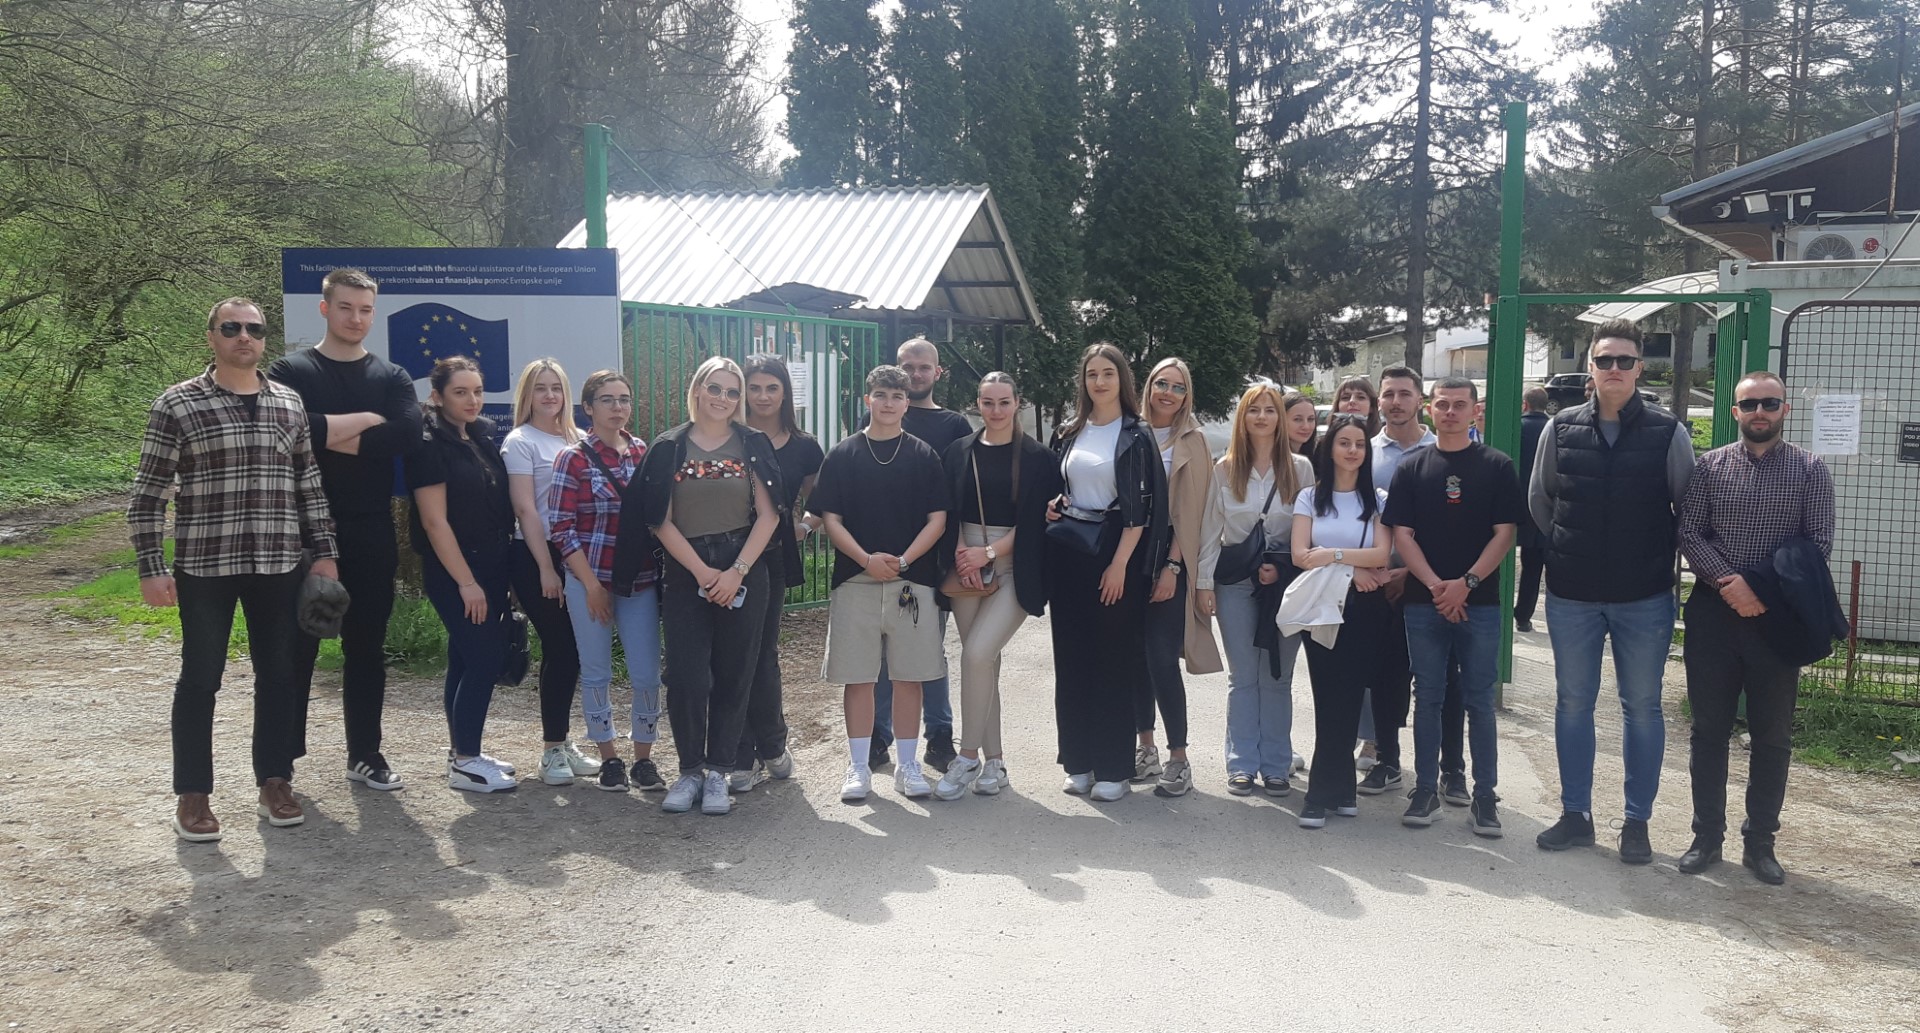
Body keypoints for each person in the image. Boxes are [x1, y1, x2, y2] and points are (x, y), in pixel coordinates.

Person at [134, 299, 340, 841]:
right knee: (201, 678)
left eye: (254, 329)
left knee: (280, 675)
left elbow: (309, 485)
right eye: (231, 328)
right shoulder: (177, 404)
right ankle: (193, 794)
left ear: (264, 339)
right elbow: (149, 493)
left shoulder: (288, 403)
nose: (243, 336)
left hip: (278, 562)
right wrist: (151, 566)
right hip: (207, 562)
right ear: (212, 337)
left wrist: (324, 552)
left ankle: (275, 781)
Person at [1529, 320, 1695, 863]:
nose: (1615, 369)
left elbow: (1686, 508)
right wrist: (1566, 548)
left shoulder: (1669, 432)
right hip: (1572, 593)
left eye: (1625, 360)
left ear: (1640, 368)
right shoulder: (1560, 428)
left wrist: (1650, 555)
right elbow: (1541, 500)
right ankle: (1575, 815)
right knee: (1573, 703)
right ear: (1591, 367)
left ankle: (1637, 823)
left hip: (1643, 596)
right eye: (1605, 360)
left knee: (1642, 707)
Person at [1677, 371, 1834, 885]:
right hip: (1713, 614)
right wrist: (1729, 584)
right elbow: (1690, 532)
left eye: (1769, 403)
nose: (1759, 412)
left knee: (1772, 735)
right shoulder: (1709, 466)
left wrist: (1757, 588)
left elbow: (1816, 545)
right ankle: (1706, 837)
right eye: (1749, 404)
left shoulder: (1811, 469)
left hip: (1777, 618)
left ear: (1785, 409)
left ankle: (1761, 842)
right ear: (1735, 412)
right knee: (1708, 732)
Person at [267, 268, 419, 792]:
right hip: (301, 530)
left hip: (371, 527)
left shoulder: (392, 376)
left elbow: (406, 434)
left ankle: (365, 754)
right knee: (296, 650)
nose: (356, 318)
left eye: (365, 309)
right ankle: (282, 763)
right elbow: (287, 428)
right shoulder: (291, 369)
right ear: (325, 308)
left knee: (367, 648)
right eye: (346, 307)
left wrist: (326, 432)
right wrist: (366, 422)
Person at [623, 357, 782, 816]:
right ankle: (689, 770)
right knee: (688, 676)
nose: (723, 398)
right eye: (715, 388)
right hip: (686, 570)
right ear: (697, 390)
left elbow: (769, 515)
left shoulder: (751, 443)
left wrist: (736, 572)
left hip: (742, 566)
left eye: (732, 392)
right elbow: (659, 519)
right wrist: (702, 573)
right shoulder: (669, 446)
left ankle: (718, 773)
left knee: (736, 674)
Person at [1386, 376, 1523, 837]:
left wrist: (1465, 584)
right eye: (1442, 404)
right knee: (1427, 696)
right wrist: (1436, 587)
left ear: (1475, 411)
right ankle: (1425, 789)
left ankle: (1485, 797)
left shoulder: (1497, 465)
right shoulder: (1411, 467)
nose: (1450, 412)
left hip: (1479, 603)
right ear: (1429, 408)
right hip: (1423, 603)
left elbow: (1504, 533)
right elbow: (1402, 534)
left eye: (1459, 405)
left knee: (1480, 700)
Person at [811, 365, 949, 803]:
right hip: (856, 580)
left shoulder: (924, 455)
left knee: (910, 676)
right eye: (882, 395)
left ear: (907, 403)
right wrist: (865, 559)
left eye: (897, 396)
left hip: (913, 582)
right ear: (867, 399)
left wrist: (904, 560)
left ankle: (908, 766)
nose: (889, 403)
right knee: (858, 677)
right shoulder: (843, 453)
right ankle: (858, 766)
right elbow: (830, 518)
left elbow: (938, 519)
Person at [1046, 343, 1168, 803]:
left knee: (1112, 661)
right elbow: (1062, 486)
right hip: (1071, 550)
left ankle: (1114, 768)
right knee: (1071, 659)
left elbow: (1142, 512)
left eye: (1108, 374)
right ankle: (1079, 762)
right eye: (1091, 374)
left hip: (1118, 552)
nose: (1099, 382)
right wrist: (1054, 504)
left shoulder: (1136, 434)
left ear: (1122, 380)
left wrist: (1119, 565)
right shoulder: (1069, 431)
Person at [932, 372, 1061, 801]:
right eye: (988, 402)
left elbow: (1037, 522)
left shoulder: (1038, 457)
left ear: (1017, 403)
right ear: (978, 404)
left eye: (1004, 402)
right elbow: (947, 509)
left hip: (1014, 565)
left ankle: (967, 756)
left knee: (976, 653)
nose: (996, 410)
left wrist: (987, 553)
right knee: (983, 664)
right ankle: (996, 763)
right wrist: (961, 555)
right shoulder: (959, 451)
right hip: (965, 564)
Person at [1195, 381, 1316, 798]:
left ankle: (1277, 765)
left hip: (1285, 585)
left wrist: (1282, 569)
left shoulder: (1300, 469)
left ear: (1280, 418)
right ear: (1242, 418)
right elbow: (1210, 532)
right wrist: (1204, 583)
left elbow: (1308, 531)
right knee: (1244, 676)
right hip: (1236, 583)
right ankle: (1242, 764)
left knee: (1278, 677)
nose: (1262, 417)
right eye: (1253, 409)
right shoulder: (1224, 469)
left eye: (1269, 410)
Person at [404, 357, 517, 793]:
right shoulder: (428, 445)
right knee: (485, 658)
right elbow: (435, 523)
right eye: (460, 392)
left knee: (465, 658)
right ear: (437, 396)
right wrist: (466, 582)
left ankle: (462, 753)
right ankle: (468, 761)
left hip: (492, 563)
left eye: (477, 391)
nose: (472, 400)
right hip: (457, 570)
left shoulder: (480, 437)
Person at [550, 371, 664, 793]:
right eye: (607, 399)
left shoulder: (642, 452)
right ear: (588, 407)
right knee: (597, 672)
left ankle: (644, 759)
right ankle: (609, 758)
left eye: (624, 399)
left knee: (646, 675)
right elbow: (562, 528)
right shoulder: (572, 458)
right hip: (589, 581)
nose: (618, 407)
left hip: (638, 581)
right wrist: (592, 586)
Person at [867, 338, 972, 773]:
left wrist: (960, 552)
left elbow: (964, 495)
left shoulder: (954, 425)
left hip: (932, 559)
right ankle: (878, 736)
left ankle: (940, 736)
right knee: (883, 654)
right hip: (880, 556)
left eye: (923, 367)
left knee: (928, 650)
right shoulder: (880, 416)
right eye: (907, 365)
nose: (914, 373)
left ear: (937, 373)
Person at [1287, 415, 1394, 827]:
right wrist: (1351, 568)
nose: (1352, 451)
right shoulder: (1309, 498)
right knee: (1327, 697)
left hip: (1365, 609)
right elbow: (1300, 555)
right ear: (1329, 448)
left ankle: (1334, 791)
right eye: (1344, 442)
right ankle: (1326, 792)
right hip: (1322, 607)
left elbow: (1381, 554)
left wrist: (1331, 555)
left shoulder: (1378, 499)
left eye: (1360, 444)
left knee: (1349, 699)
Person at [728, 354, 822, 792]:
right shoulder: (726, 438)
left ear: (785, 393)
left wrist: (804, 527)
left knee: (763, 653)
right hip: (723, 558)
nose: (763, 396)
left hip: (773, 559)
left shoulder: (805, 446)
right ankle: (741, 753)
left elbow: (823, 501)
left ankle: (770, 746)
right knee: (732, 656)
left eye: (772, 388)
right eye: (755, 388)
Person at [502, 358, 596, 787]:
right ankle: (551, 748)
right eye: (540, 388)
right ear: (528, 394)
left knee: (576, 651)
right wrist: (545, 568)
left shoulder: (582, 439)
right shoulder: (520, 442)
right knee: (561, 647)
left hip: (578, 555)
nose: (550, 396)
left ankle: (564, 741)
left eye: (556, 388)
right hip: (536, 556)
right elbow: (525, 509)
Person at [1132, 357, 1223, 795]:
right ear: (1149, 387)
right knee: (1134, 658)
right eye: (1161, 384)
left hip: (1171, 559)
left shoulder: (1194, 441)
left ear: (1187, 396)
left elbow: (1195, 513)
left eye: (1178, 387)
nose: (1168, 393)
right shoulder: (1130, 431)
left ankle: (1179, 758)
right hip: (1127, 557)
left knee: (1162, 658)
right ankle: (1145, 747)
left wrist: (1173, 567)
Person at [1360, 366, 1435, 791]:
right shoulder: (1365, 452)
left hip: (1427, 582)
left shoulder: (1442, 449)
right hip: (1376, 583)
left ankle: (1443, 770)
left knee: (1434, 680)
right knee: (1382, 676)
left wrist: (1411, 571)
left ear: (1420, 400)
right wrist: (1377, 571)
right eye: (1388, 394)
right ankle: (1386, 759)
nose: (1396, 402)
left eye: (1404, 394)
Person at [1513, 386, 1550, 634]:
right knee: (1533, 566)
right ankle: (1524, 616)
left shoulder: (1516, 428)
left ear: (1524, 404)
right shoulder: (1554, 428)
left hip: (1512, 505)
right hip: (1541, 507)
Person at [1284, 391, 1318, 457]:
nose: (1306, 426)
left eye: (1310, 419)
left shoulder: (1316, 455)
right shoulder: (1271, 458)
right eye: (1297, 419)